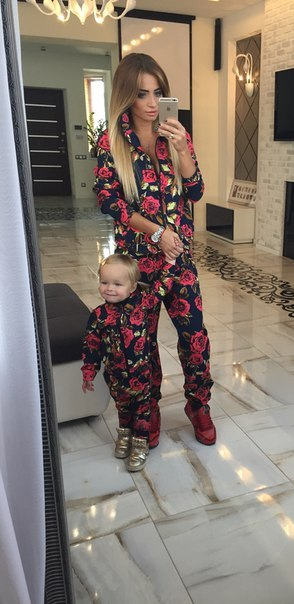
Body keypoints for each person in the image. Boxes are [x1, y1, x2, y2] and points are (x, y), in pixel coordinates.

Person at [93, 53, 216, 446]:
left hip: (178, 260)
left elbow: (196, 191)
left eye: (158, 92)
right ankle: (148, 410)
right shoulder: (111, 142)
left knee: (194, 336)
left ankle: (198, 405)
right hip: (136, 266)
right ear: (126, 96)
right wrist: (156, 232)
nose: (151, 102)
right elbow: (109, 200)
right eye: (142, 93)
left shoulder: (175, 134)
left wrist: (182, 151)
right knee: (141, 344)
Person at [81, 254, 177, 472]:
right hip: (115, 377)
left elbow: (161, 288)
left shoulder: (142, 304)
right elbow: (91, 345)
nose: (109, 288)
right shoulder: (99, 315)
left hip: (141, 374)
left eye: (117, 284)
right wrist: (89, 372)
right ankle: (124, 435)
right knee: (123, 408)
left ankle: (140, 444)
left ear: (133, 287)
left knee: (142, 411)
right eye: (104, 282)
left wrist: (170, 264)